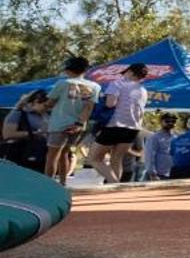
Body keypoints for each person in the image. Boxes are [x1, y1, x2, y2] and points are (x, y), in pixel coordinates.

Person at [44, 56, 101, 184]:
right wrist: (80, 123)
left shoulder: (63, 83)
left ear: (68, 70)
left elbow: (50, 103)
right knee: (65, 153)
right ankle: (63, 183)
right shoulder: (95, 87)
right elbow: (89, 107)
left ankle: (47, 184)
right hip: (78, 125)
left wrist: (41, 106)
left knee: (52, 156)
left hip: (59, 124)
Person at [91, 63, 150, 183]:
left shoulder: (117, 83)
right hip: (133, 128)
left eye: (125, 72)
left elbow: (110, 104)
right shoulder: (143, 90)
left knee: (94, 158)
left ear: (130, 72)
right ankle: (115, 189)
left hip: (114, 125)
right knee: (116, 159)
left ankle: (114, 183)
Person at [4, 90, 51, 172]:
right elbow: (7, 134)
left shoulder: (46, 116)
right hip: (21, 155)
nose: (47, 109)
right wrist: (33, 133)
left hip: (41, 155)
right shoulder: (18, 114)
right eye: (45, 106)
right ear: (36, 101)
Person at [143, 114, 176, 181]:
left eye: (173, 121)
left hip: (173, 173)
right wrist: (152, 173)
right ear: (161, 122)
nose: (170, 123)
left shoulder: (176, 137)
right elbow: (149, 156)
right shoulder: (154, 137)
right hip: (159, 174)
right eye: (167, 121)